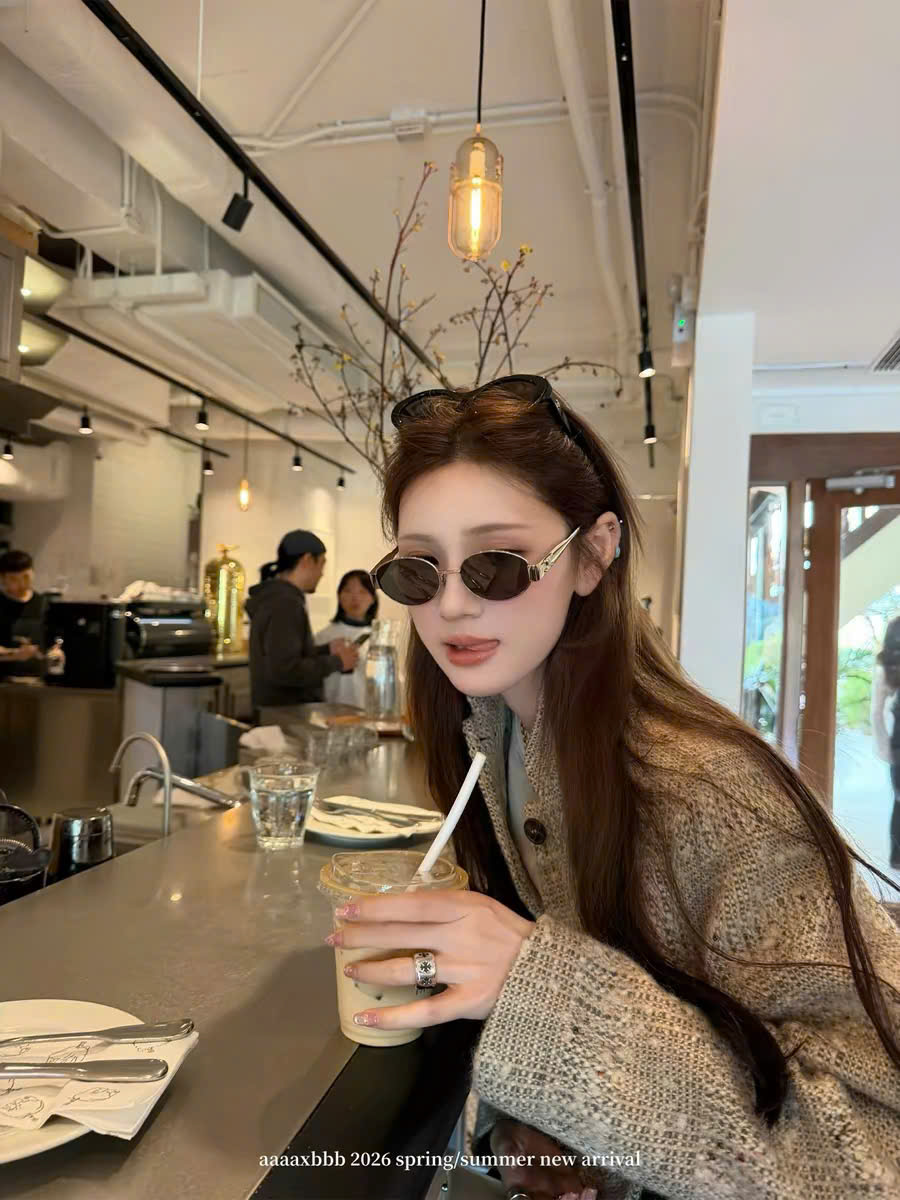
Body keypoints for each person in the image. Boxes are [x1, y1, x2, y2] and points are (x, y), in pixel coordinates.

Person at [325, 377, 900, 1200]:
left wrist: (545, 1001)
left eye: (497, 566)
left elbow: (873, 1158)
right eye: (420, 570)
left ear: (593, 555)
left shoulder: (711, 794)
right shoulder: (495, 731)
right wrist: (547, 1119)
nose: (450, 605)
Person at [245, 530, 358, 724]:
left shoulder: (276, 598)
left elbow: (282, 655)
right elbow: (285, 670)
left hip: (275, 715)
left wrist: (325, 650)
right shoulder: (285, 603)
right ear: (307, 560)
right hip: (285, 717)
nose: (322, 573)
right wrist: (338, 662)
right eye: (322, 563)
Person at [315, 570, 378, 708]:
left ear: (373, 598)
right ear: (339, 596)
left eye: (362, 592)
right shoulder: (324, 637)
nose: (355, 598)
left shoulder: (381, 638)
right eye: (348, 591)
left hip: (369, 712)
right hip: (329, 711)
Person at [872, 615, 900, 868]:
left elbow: (877, 713)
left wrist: (884, 747)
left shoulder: (887, 668)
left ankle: (897, 858)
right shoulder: (887, 668)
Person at [0, 549, 45, 674]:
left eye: (26, 577)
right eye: (14, 579)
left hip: (38, 678)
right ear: (2, 578)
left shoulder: (43, 603)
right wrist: (14, 654)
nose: (21, 584)